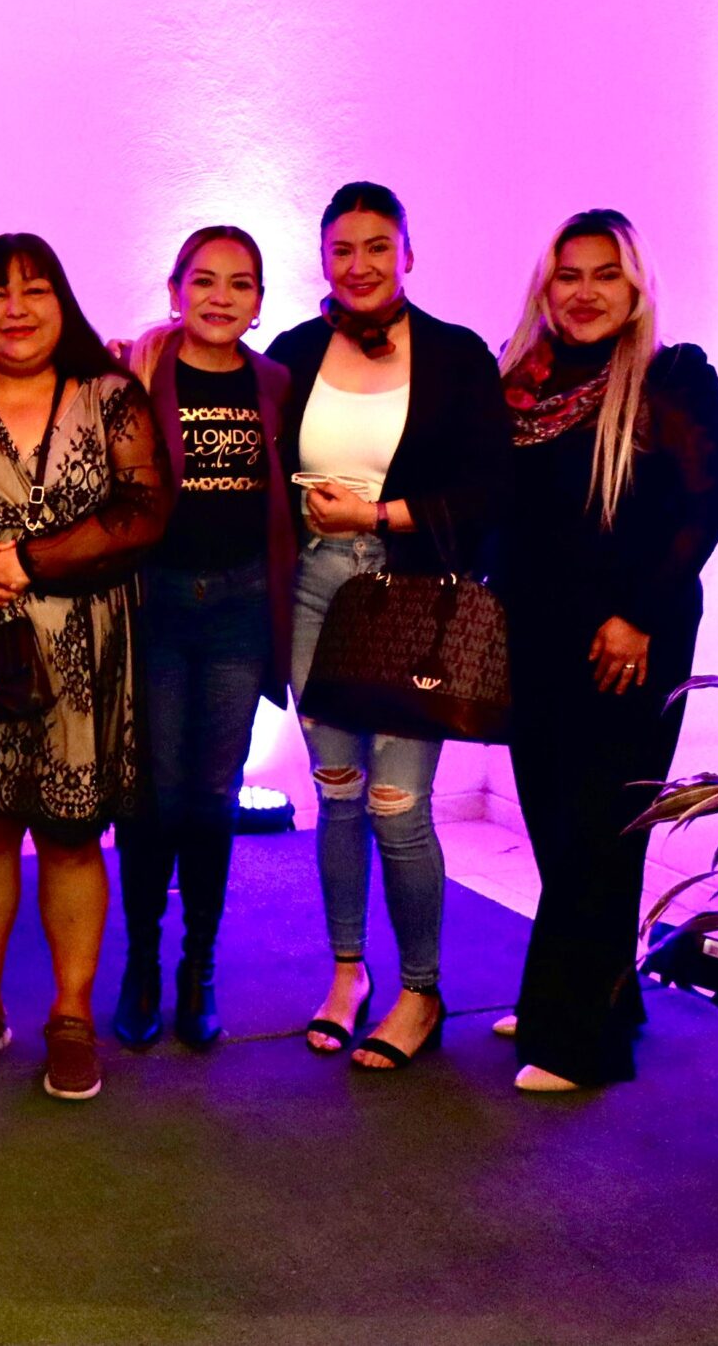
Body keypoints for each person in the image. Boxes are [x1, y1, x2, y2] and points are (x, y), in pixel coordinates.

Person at [0, 234, 167, 1102]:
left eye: (35, 289)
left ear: (64, 301)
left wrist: (25, 557)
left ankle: (71, 1016)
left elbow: (143, 510)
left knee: (70, 832)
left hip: (85, 647)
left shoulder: (109, 393)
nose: (15, 309)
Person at [269, 183, 510, 1072]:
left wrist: (378, 514)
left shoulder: (455, 355)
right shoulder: (294, 352)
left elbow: (490, 489)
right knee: (336, 791)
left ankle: (421, 990)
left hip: (410, 593)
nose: (360, 264)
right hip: (312, 591)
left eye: (378, 246)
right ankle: (347, 974)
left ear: (408, 253)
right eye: (343, 249)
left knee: (397, 804)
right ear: (322, 258)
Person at [494, 210, 718, 1091]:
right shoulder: (523, 381)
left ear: (636, 286)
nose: (586, 292)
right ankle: (597, 995)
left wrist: (638, 615)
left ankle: (575, 1044)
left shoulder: (674, 377)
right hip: (534, 635)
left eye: (606, 274)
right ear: (546, 286)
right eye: (569, 275)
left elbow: (703, 510)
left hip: (629, 638)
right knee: (558, 825)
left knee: (599, 830)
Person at [109, 228, 295, 1051]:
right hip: (157, 602)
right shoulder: (139, 371)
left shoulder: (276, 382)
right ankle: (141, 962)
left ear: (259, 302)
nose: (221, 296)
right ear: (176, 288)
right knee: (155, 793)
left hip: (240, 607)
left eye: (240, 283)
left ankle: (200, 966)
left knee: (215, 795)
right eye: (205, 280)